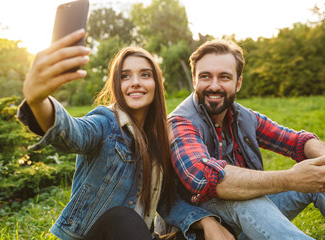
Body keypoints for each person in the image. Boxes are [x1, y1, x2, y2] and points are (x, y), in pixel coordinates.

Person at [17, 29, 235, 240]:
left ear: (156, 84)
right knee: (122, 218)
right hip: (101, 234)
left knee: (196, 234)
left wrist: (206, 221)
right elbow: (73, 133)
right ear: (116, 84)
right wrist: (38, 101)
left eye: (145, 75)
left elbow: (168, 203)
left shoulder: (159, 141)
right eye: (125, 76)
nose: (136, 82)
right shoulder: (105, 123)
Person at [168, 39, 325, 239]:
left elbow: (297, 141)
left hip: (252, 221)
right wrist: (292, 178)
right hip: (204, 230)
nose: (214, 86)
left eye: (224, 77)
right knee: (247, 197)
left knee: (318, 174)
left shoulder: (244, 117)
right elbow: (206, 179)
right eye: (205, 76)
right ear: (194, 80)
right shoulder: (180, 123)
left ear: (238, 83)